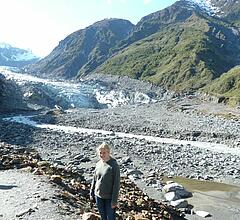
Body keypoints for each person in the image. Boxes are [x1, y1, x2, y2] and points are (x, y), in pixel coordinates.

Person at [90, 142, 120, 220]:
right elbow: (95, 179)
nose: (102, 155)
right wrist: (91, 193)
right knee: (103, 217)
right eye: (100, 153)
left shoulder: (114, 166)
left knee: (110, 217)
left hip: (109, 198)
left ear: (108, 152)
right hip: (98, 196)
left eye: (104, 153)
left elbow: (116, 185)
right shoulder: (98, 164)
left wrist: (114, 201)